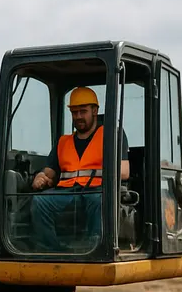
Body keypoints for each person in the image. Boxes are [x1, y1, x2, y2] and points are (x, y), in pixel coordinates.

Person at [30, 87, 129, 251]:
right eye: (74, 113)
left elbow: (124, 172)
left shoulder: (111, 134)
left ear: (95, 111)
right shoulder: (63, 142)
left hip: (97, 191)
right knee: (39, 202)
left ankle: (95, 248)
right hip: (67, 193)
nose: (78, 117)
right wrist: (40, 177)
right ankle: (53, 250)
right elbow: (49, 172)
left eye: (83, 111)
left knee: (100, 200)